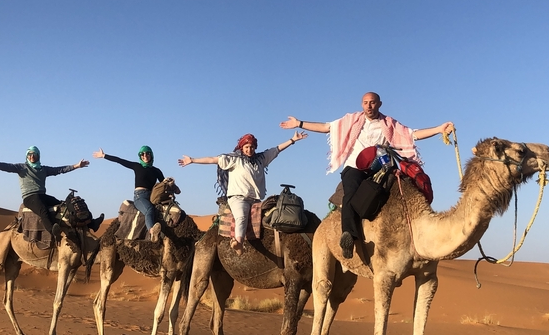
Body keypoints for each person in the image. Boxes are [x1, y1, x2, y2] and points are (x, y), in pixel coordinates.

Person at [280, 92, 453, 259]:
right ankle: (349, 235)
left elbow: (412, 134)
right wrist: (299, 123)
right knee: (351, 194)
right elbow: (326, 127)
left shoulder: (389, 124)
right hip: (354, 167)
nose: (368, 106)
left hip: (380, 168)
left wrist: (439, 129)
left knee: (401, 190)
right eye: (365, 102)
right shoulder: (351, 121)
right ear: (361, 104)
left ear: (379, 104)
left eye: (372, 102)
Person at [178, 130, 307, 252]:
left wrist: (293, 139)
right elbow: (213, 159)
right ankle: (239, 243)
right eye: (246, 147)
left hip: (256, 199)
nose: (249, 150)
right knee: (241, 216)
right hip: (238, 198)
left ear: (255, 147)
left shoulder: (261, 159)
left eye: (251, 147)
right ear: (242, 147)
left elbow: (277, 149)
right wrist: (192, 160)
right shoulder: (234, 159)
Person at [0, 146, 102, 236]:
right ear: (27, 156)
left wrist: (76, 166)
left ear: (38, 156)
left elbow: (59, 170)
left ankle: (92, 224)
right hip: (29, 197)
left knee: (64, 204)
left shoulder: (43, 169)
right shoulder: (21, 167)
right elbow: (6, 167)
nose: (32, 157)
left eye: (34, 155)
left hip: (42, 195)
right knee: (43, 210)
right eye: (30, 155)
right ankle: (53, 231)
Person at [93, 145, 166, 242]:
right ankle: (152, 231)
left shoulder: (157, 171)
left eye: (147, 153)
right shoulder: (137, 166)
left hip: (152, 197)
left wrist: (175, 188)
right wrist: (104, 155)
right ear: (140, 156)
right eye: (142, 154)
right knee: (149, 210)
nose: (145, 155)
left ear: (151, 155)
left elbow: (164, 184)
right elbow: (120, 160)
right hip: (140, 196)